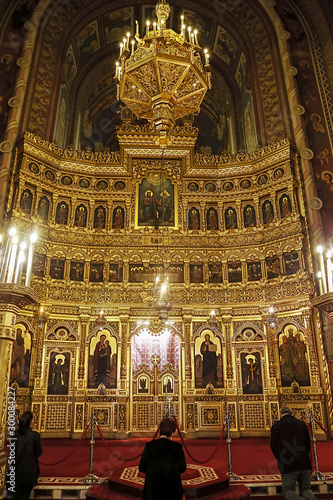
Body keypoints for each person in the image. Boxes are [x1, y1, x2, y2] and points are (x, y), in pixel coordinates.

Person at [270, 407, 317, 500]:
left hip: (288, 463)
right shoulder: (302, 424)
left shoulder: (276, 426)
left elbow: (274, 446)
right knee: (306, 489)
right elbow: (307, 443)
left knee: (288, 491)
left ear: (280, 414)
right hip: (304, 462)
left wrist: (281, 459)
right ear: (292, 414)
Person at [139, 418, 186, 500]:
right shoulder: (177, 447)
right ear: (172, 432)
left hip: (152, 492)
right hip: (173, 492)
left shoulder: (149, 446)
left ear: (159, 430)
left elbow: (142, 467)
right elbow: (182, 468)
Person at [10, 411, 42, 500]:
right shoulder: (35, 435)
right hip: (29, 471)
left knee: (17, 494)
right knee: (25, 495)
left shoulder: (15, 434)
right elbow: (38, 452)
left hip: (16, 469)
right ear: (31, 421)